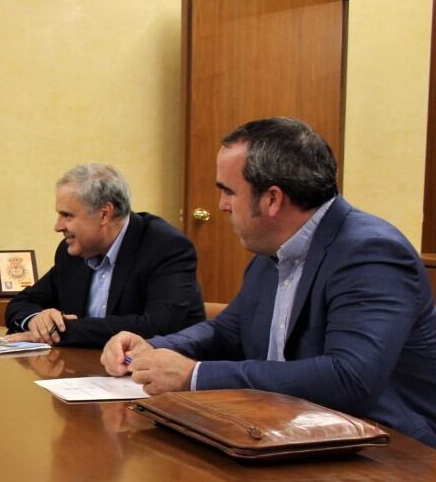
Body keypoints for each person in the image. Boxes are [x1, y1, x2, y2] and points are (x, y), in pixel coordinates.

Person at [101, 117, 436, 447]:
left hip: (390, 454)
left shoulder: (371, 252)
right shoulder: (271, 253)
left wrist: (194, 376)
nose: (222, 206)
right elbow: (227, 331)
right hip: (289, 437)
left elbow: (349, 378)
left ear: (272, 199)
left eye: (228, 192)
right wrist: (155, 348)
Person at [5, 163, 205, 347]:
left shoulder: (166, 247)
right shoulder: (72, 253)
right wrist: (37, 320)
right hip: (86, 373)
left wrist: (59, 331)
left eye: (67, 215)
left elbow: (155, 326)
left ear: (104, 214)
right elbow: (21, 303)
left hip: (158, 375)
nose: (58, 227)